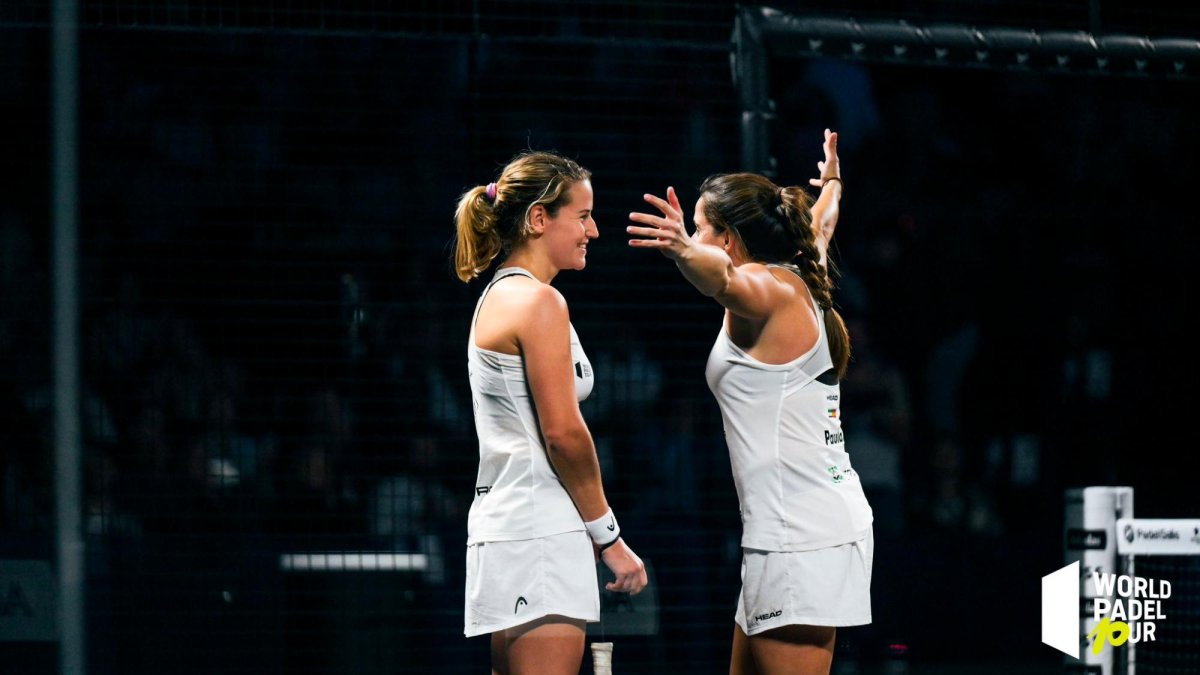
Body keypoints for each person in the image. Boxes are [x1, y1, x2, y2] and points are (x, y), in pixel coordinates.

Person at [627, 129, 872, 675]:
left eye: (700, 226)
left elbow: (722, 280)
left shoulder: (770, 290)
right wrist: (832, 178)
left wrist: (684, 251)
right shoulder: (802, 268)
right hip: (788, 531)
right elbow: (823, 219)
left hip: (802, 536)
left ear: (731, 241)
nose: (691, 232)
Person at [453, 150, 648, 675]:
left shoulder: (502, 295)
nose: (595, 231)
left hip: (513, 529)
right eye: (582, 216)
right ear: (539, 218)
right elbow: (564, 434)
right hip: (538, 532)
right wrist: (610, 539)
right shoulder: (539, 303)